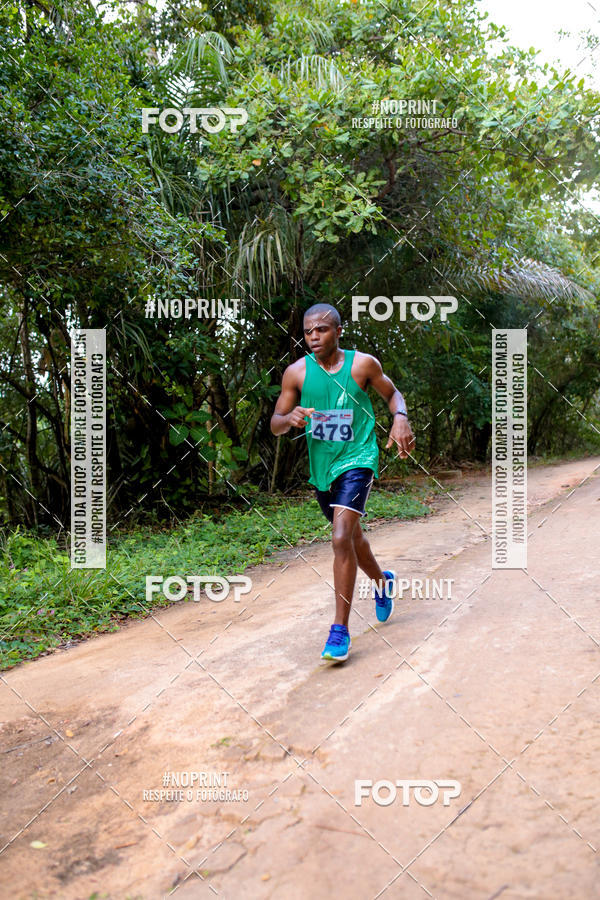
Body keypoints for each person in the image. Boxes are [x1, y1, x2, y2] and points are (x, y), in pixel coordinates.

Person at [270, 303, 415, 662]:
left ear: (337, 331)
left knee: (339, 538)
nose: (314, 337)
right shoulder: (296, 374)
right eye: (307, 331)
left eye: (321, 329)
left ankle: (339, 631)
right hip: (324, 468)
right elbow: (275, 422)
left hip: (359, 459)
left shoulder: (362, 364)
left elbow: (393, 394)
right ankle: (383, 582)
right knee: (352, 538)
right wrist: (291, 418)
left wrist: (400, 418)